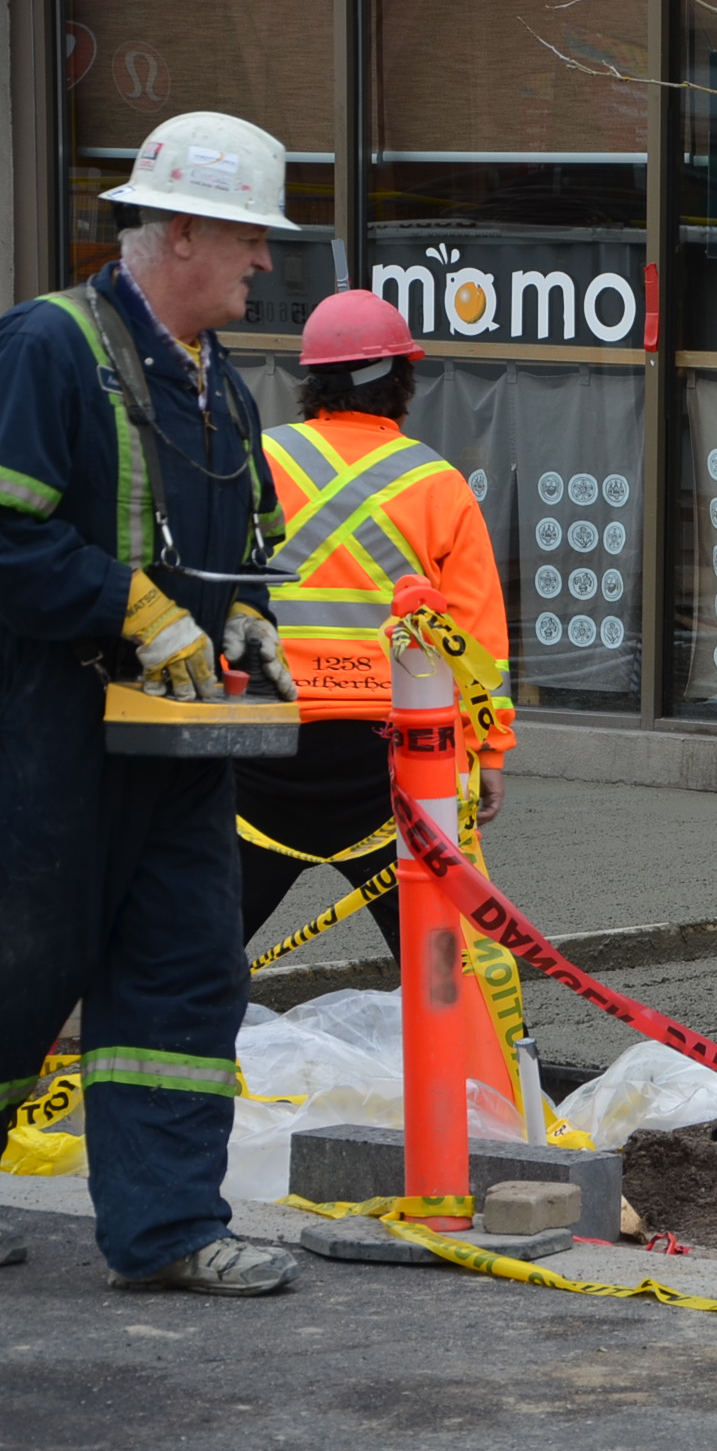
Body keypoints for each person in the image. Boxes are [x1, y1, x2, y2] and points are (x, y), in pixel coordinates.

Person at [0, 112, 304, 1294]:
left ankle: (169, 1226)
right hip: (44, 735)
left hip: (175, 748)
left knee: (185, 973)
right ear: (177, 231)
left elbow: (246, 551)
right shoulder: (47, 348)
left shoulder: (220, 386)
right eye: (246, 237)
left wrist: (242, 627)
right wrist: (127, 604)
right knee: (20, 969)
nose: (265, 262)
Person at [236, 289, 515, 960]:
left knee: (184, 961)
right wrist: (489, 751)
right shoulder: (437, 484)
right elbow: (477, 638)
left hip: (261, 751)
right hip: (395, 760)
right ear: (400, 383)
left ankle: (153, 1064)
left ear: (313, 382)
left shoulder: (258, 463)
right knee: (451, 967)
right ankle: (484, 1066)